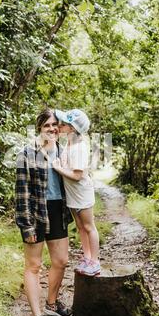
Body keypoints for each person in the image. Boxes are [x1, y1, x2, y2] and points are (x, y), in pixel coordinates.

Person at [15, 109, 73, 316]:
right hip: (36, 213)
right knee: (34, 266)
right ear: (39, 127)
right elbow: (21, 194)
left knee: (61, 261)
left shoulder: (64, 152)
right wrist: (26, 226)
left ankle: (51, 303)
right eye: (48, 125)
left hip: (58, 211)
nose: (52, 129)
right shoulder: (27, 154)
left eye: (56, 125)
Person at [52, 109, 100, 277]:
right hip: (73, 195)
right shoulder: (69, 144)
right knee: (80, 227)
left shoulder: (79, 148)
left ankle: (95, 262)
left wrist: (58, 168)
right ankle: (87, 257)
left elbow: (78, 175)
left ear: (72, 129)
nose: (59, 126)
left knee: (88, 226)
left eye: (63, 124)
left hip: (82, 194)